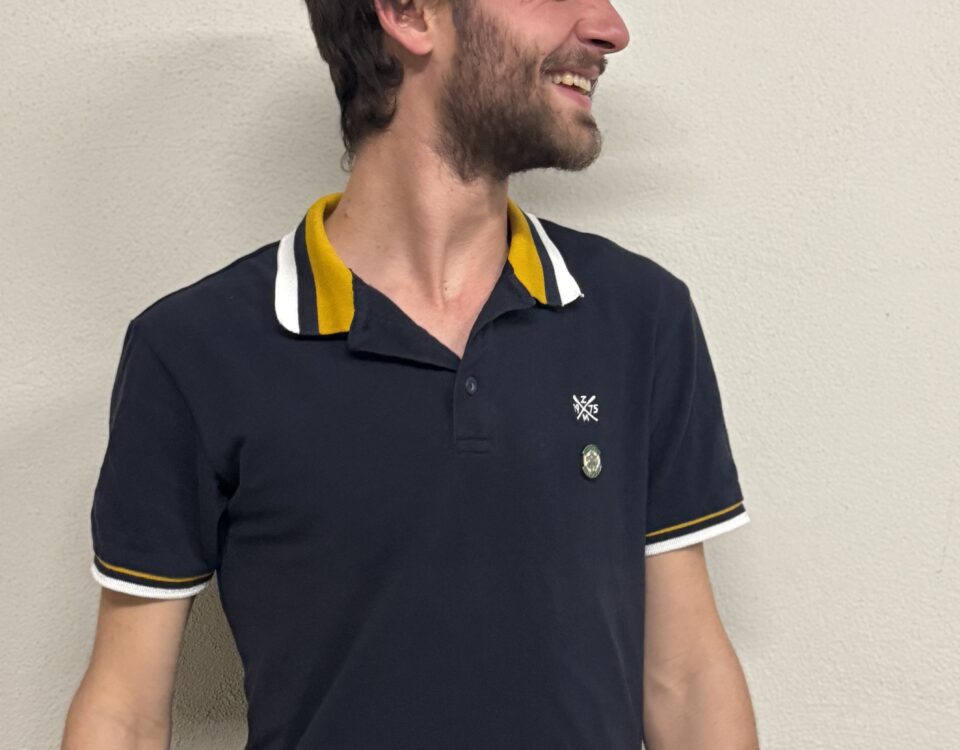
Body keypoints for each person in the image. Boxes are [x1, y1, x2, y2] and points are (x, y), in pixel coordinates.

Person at [62, 1, 759, 748]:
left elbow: (684, 676)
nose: (609, 28)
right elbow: (126, 711)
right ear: (408, 12)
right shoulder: (195, 349)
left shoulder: (637, 316)